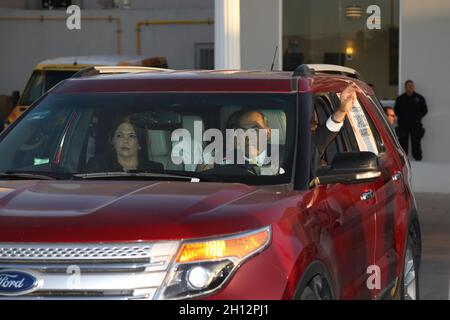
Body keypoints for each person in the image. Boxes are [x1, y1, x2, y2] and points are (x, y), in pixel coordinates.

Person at [87, 117, 163, 172]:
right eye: (119, 136)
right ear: (113, 141)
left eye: (131, 136)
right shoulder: (98, 166)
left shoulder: (155, 169)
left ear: (139, 144)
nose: (125, 141)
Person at [394, 80, 428, 161]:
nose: (411, 87)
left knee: (416, 144)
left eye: (412, 85)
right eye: (409, 85)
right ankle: (403, 161)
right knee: (403, 144)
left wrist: (417, 118)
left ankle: (418, 161)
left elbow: (424, 110)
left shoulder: (419, 98)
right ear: (405, 87)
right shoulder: (400, 99)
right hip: (403, 125)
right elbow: (396, 111)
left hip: (415, 125)